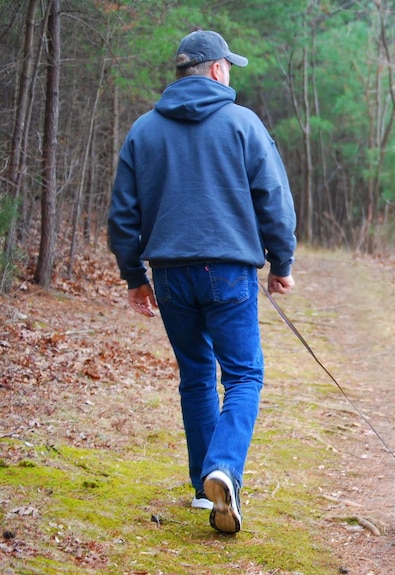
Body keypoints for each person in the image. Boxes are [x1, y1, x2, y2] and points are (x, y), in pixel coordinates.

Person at [108, 29, 297, 534]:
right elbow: (273, 198)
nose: (230, 72)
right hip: (228, 271)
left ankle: (203, 489)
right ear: (216, 69)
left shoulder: (143, 130)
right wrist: (281, 263)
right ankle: (225, 470)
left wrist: (134, 275)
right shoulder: (243, 123)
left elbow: (122, 215)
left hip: (169, 276)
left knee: (195, 374)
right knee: (242, 376)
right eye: (228, 65)